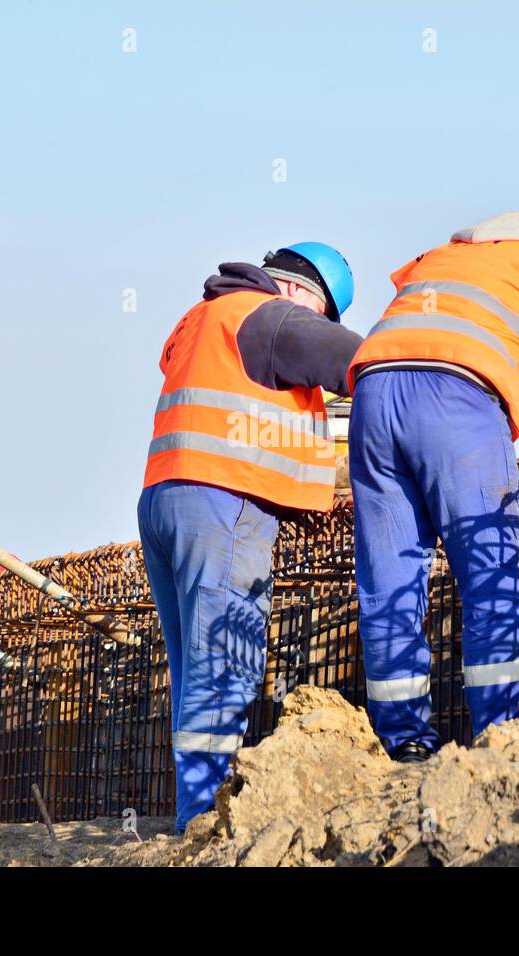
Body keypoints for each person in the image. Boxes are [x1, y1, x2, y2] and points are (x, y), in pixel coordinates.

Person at [345, 198, 519, 762]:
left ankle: (406, 747)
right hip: (458, 398)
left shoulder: (448, 254)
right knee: (489, 573)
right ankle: (500, 740)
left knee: (389, 585)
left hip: (371, 392)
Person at [138, 243, 363, 830]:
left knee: (195, 669)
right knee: (224, 666)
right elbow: (366, 361)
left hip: (166, 498)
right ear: (300, 293)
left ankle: (194, 810)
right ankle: (202, 819)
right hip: (222, 504)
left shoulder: (202, 318)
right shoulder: (271, 315)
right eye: (319, 312)